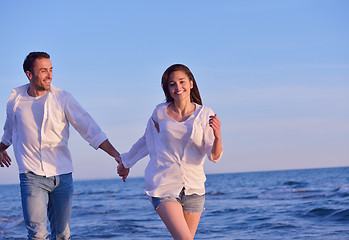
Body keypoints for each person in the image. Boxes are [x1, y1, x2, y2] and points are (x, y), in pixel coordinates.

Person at [0, 52, 129, 240]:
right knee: (37, 235)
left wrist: (117, 155)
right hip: (31, 176)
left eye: (51, 70)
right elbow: (10, 130)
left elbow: (90, 129)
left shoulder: (63, 98)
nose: (49, 75)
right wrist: (1, 147)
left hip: (62, 175)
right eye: (43, 71)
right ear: (29, 74)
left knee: (61, 234)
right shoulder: (16, 100)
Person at [117, 64, 223, 239]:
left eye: (182, 82)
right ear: (167, 88)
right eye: (172, 84)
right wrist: (126, 162)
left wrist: (218, 137)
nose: (177, 87)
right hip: (164, 185)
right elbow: (146, 141)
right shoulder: (160, 112)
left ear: (191, 83)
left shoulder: (205, 114)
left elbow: (214, 155)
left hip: (194, 188)